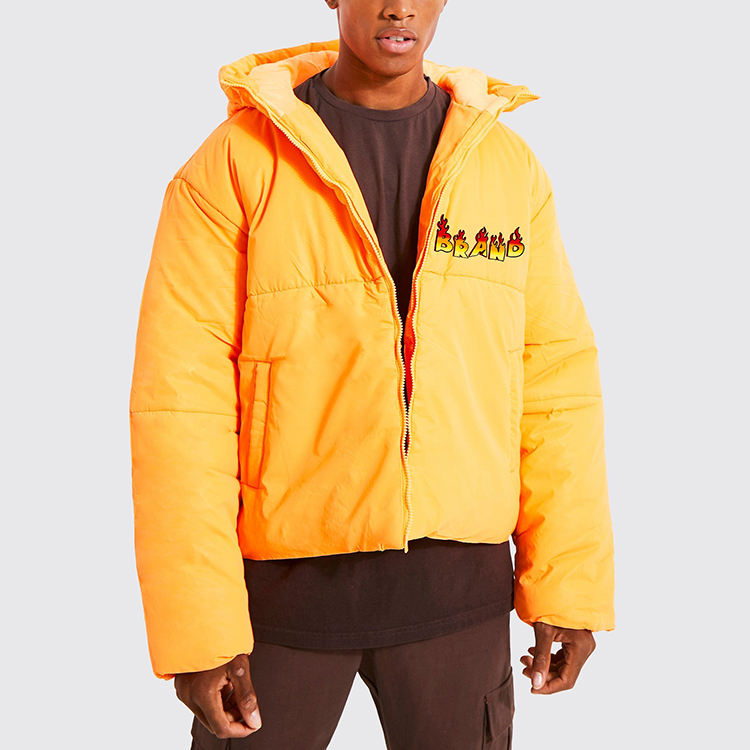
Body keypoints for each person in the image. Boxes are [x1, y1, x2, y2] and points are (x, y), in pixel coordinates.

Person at [129, 1, 615, 747]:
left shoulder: (505, 167)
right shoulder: (234, 164)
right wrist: (199, 629)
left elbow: (555, 384)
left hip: (457, 601)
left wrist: (567, 588)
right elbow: (181, 405)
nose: (400, 6)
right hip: (281, 607)